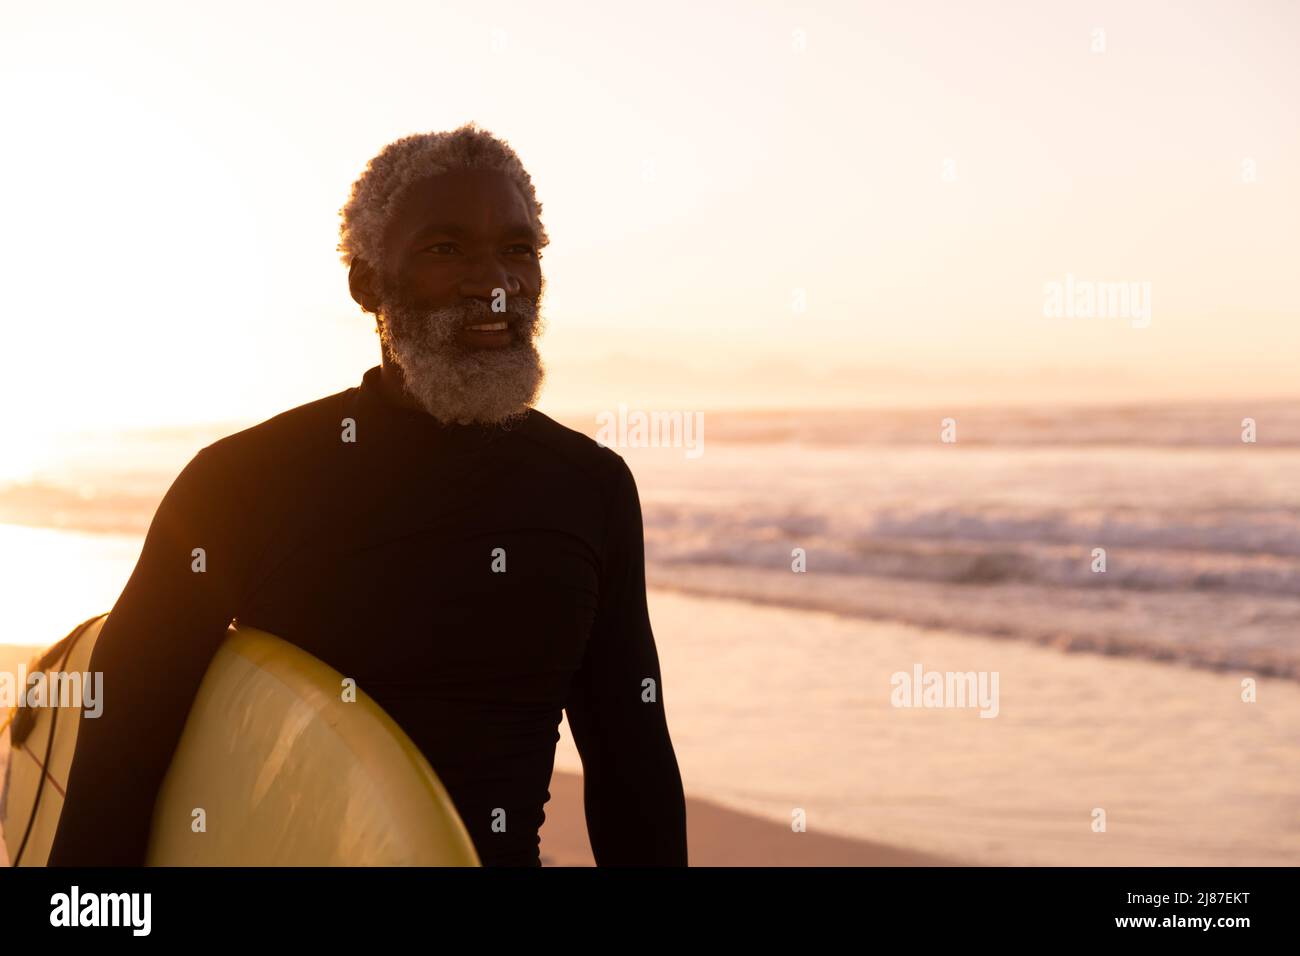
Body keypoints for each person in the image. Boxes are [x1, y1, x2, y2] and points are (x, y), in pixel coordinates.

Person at [45, 123, 688, 867]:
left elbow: (630, 764)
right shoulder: (241, 483)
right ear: (366, 284)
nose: (496, 283)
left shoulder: (591, 489)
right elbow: (120, 754)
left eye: (518, 250)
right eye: (446, 249)